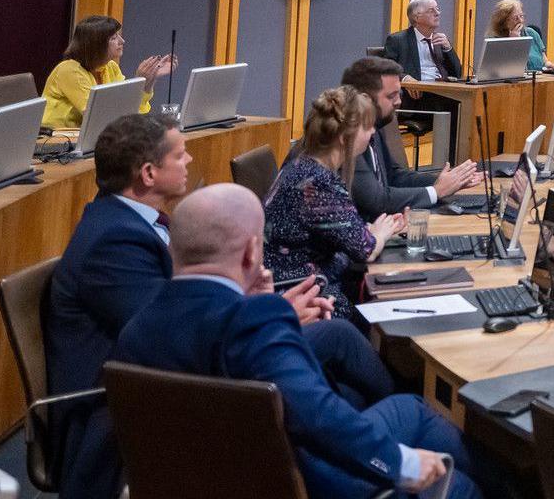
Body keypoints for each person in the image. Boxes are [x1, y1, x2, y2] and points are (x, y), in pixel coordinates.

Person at [45, 117, 387, 499]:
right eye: (179, 154)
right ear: (147, 173)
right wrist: (272, 314)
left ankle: (371, 440)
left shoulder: (135, 223)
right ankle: (380, 439)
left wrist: (260, 306)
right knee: (335, 350)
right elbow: (170, 337)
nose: (190, 159)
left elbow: (189, 318)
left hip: (184, 379)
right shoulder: (114, 241)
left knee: (334, 355)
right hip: (134, 417)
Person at [114, 184, 480, 499]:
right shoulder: (254, 323)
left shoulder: (136, 330)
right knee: (432, 442)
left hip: (198, 481)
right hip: (293, 481)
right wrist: (406, 464)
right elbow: (317, 415)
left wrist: (258, 303)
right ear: (250, 252)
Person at [265, 87, 406, 304]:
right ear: (344, 137)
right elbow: (365, 250)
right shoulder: (318, 182)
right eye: (366, 127)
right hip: (307, 295)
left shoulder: (303, 164)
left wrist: (368, 230)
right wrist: (382, 232)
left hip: (296, 282)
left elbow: (337, 229)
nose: (372, 133)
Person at [340, 57, 480, 217]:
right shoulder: (349, 140)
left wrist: (449, 180)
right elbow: (377, 201)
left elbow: (394, 176)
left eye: (399, 94)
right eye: (391, 96)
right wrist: (436, 191)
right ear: (365, 99)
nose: (399, 101)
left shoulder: (375, 127)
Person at [41, 16, 171, 130]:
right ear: (96, 44)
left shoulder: (110, 67)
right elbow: (99, 117)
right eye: (114, 37)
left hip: (86, 137)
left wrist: (148, 81)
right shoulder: (69, 70)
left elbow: (127, 110)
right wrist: (139, 80)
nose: (122, 41)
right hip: (55, 141)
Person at [383, 0, 464, 82]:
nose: (437, 13)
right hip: (417, 90)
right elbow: (386, 70)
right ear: (417, 17)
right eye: (431, 10)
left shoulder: (440, 40)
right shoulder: (397, 40)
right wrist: (405, 78)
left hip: (443, 89)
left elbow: (457, 73)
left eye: (437, 9)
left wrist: (448, 48)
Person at [485, 0, 554, 73]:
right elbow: (499, 69)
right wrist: (513, 42)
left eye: (521, 16)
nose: (520, 20)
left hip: (538, 78)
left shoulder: (532, 33)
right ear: (505, 21)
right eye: (516, 18)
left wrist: (552, 65)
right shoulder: (494, 38)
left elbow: (544, 61)